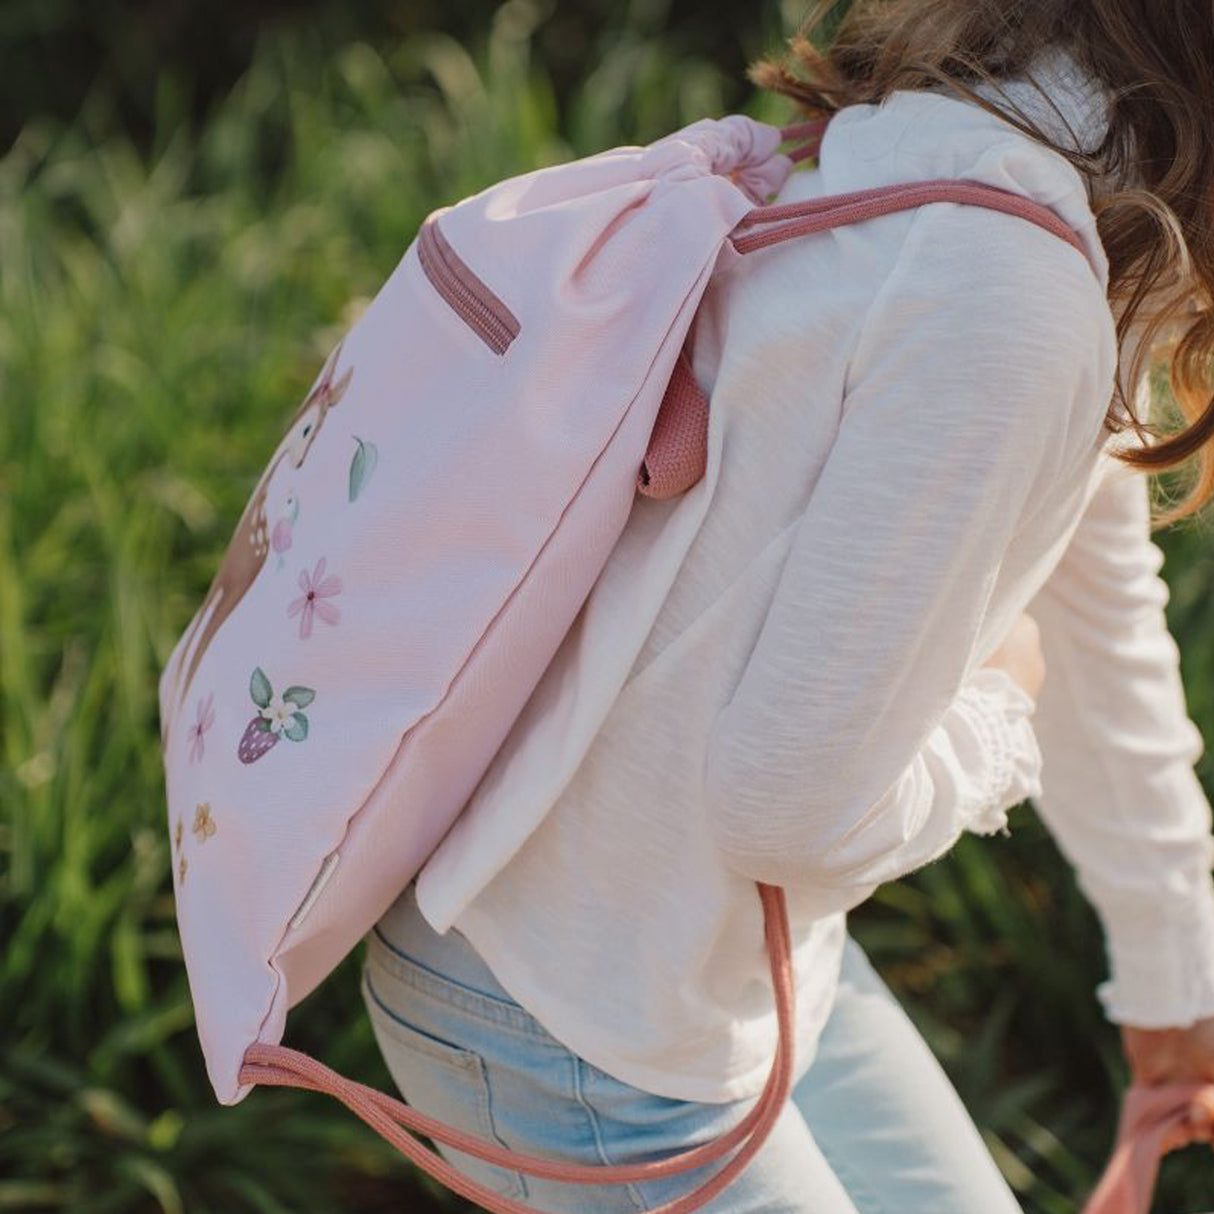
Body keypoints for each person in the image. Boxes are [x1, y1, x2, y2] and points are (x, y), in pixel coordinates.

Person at [360, 2, 1214, 1210]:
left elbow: (1093, 600)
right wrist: (994, 712)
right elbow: (787, 806)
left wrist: (1173, 977)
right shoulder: (1010, 293)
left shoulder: (994, 148)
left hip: (702, 957)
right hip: (576, 1012)